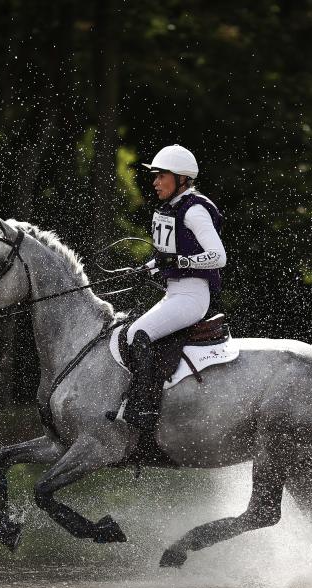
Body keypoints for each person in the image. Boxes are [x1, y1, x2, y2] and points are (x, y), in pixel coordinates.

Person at [113, 144, 227, 429]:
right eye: (155, 176)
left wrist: (180, 262)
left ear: (181, 179)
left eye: (161, 176)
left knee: (138, 334)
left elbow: (218, 256)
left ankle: (145, 409)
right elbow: (165, 258)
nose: (154, 182)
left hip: (192, 295)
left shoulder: (194, 210)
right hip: (174, 293)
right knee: (127, 332)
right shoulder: (169, 209)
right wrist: (145, 268)